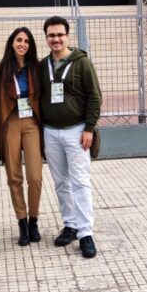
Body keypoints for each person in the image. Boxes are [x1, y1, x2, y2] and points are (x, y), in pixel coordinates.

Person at [38, 16, 102, 259]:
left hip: (77, 131)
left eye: (60, 35)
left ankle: (86, 233)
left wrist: (89, 128)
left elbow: (95, 96)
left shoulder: (82, 63)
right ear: (46, 38)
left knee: (80, 181)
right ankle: (70, 225)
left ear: (67, 36)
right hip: (51, 131)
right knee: (61, 182)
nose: (56, 39)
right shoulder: (43, 65)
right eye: (51, 35)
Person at [0, 27, 43, 246]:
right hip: (10, 122)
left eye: (26, 41)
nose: (22, 44)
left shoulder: (37, 68)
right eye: (18, 40)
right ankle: (22, 222)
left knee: (35, 177)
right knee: (14, 176)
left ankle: (34, 220)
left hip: (31, 122)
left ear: (30, 46)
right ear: (11, 43)